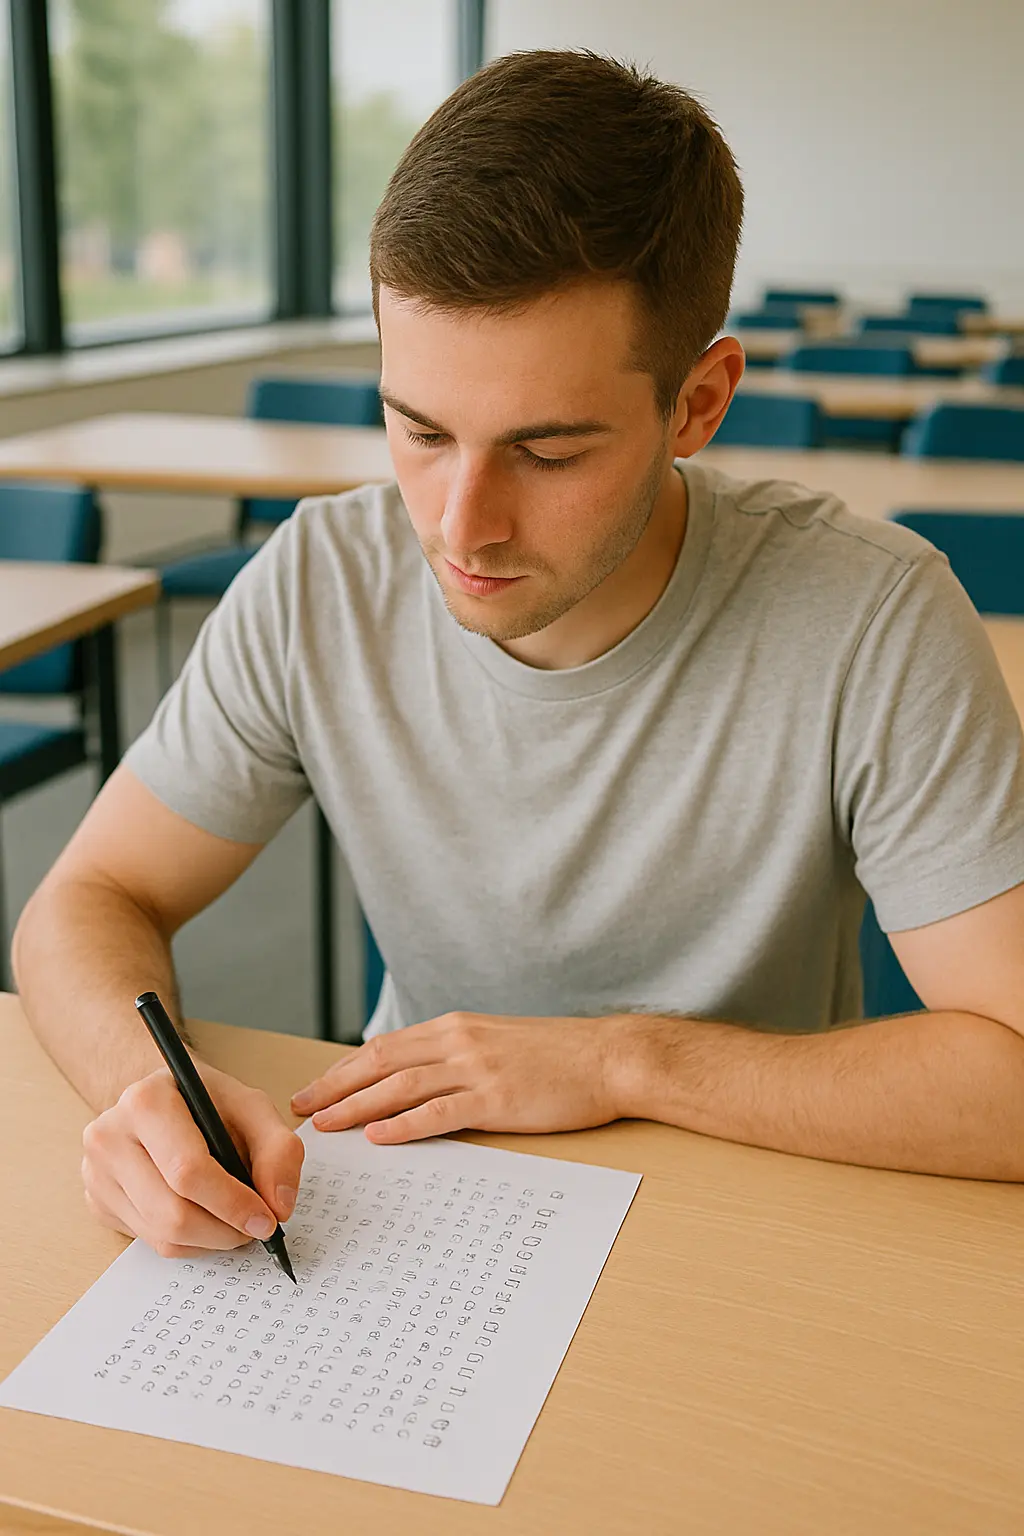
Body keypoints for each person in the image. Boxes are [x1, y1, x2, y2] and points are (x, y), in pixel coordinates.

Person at [14, 50, 1024, 1263]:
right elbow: (87, 899)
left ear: (698, 404)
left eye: (547, 453)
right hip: (412, 1196)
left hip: (758, 1198)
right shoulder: (318, 577)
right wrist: (147, 1095)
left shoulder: (873, 615)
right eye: (419, 430)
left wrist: (624, 1057)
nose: (457, 524)